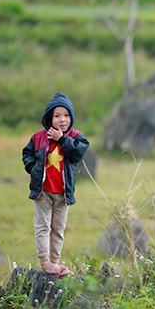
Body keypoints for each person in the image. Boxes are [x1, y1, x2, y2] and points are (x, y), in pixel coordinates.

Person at [22, 92, 89, 276]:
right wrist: (33, 167)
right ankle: (45, 262)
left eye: (66, 115)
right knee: (43, 227)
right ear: (49, 118)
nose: (62, 120)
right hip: (43, 191)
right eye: (57, 115)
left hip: (63, 193)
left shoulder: (75, 137)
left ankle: (55, 262)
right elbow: (27, 153)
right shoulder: (38, 138)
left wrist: (61, 139)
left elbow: (78, 153)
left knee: (58, 230)